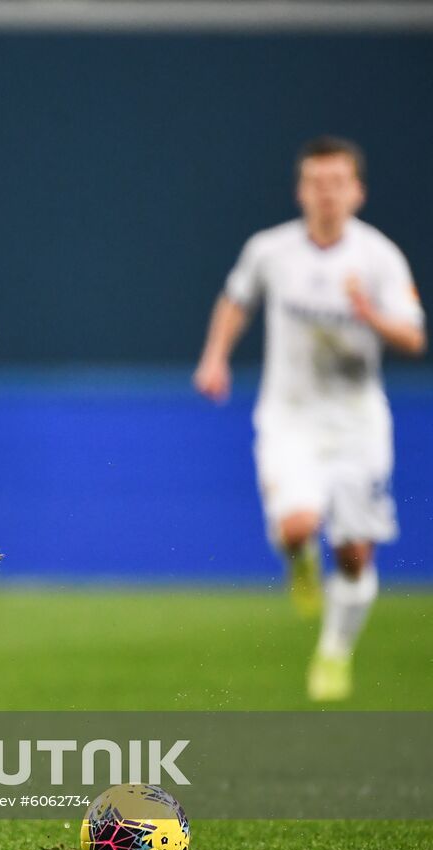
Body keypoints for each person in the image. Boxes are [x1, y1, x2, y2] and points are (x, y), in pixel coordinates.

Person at [194, 136, 426, 702]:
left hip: (356, 423)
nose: (326, 193)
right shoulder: (271, 251)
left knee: (352, 554)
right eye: (316, 182)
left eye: (337, 182)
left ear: (358, 192)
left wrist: (370, 314)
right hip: (289, 416)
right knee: (298, 525)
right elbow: (235, 300)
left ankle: (333, 651)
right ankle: (298, 558)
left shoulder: (379, 258)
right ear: (301, 189)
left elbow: (415, 337)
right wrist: (215, 357)